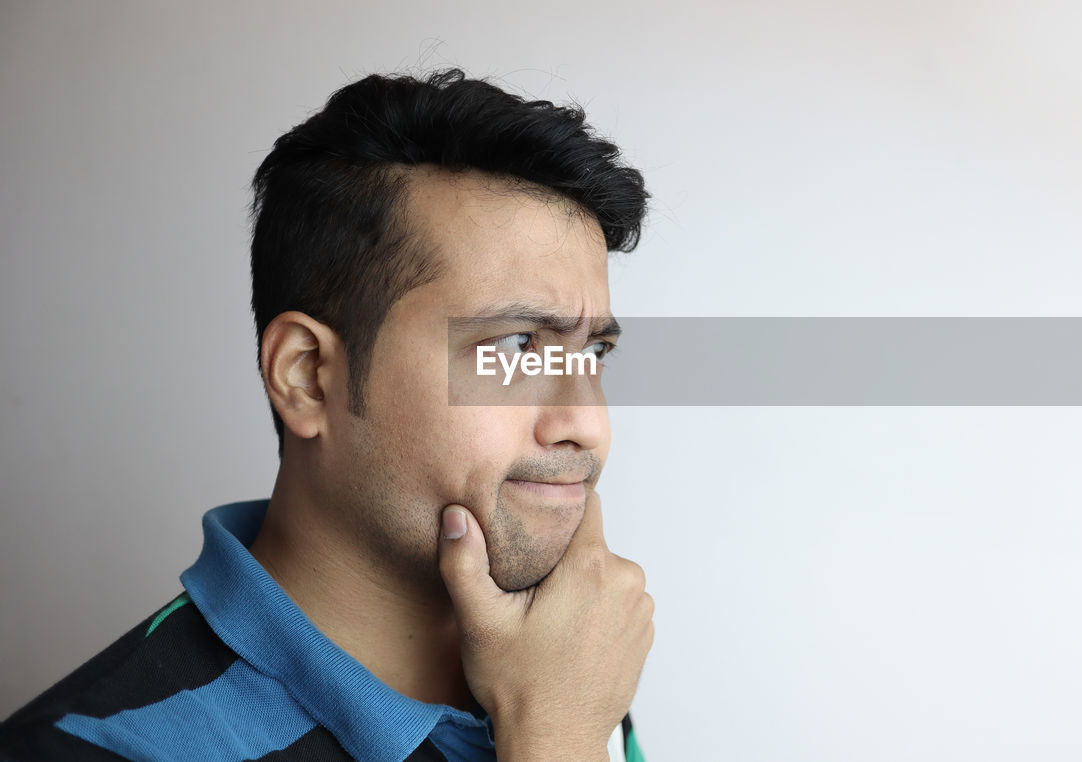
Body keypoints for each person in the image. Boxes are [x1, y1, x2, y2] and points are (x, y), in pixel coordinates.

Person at [0, 69, 655, 761]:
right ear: (307, 377)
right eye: (516, 347)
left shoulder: (565, 663)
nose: (586, 426)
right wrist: (554, 740)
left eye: (593, 352)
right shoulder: (94, 750)